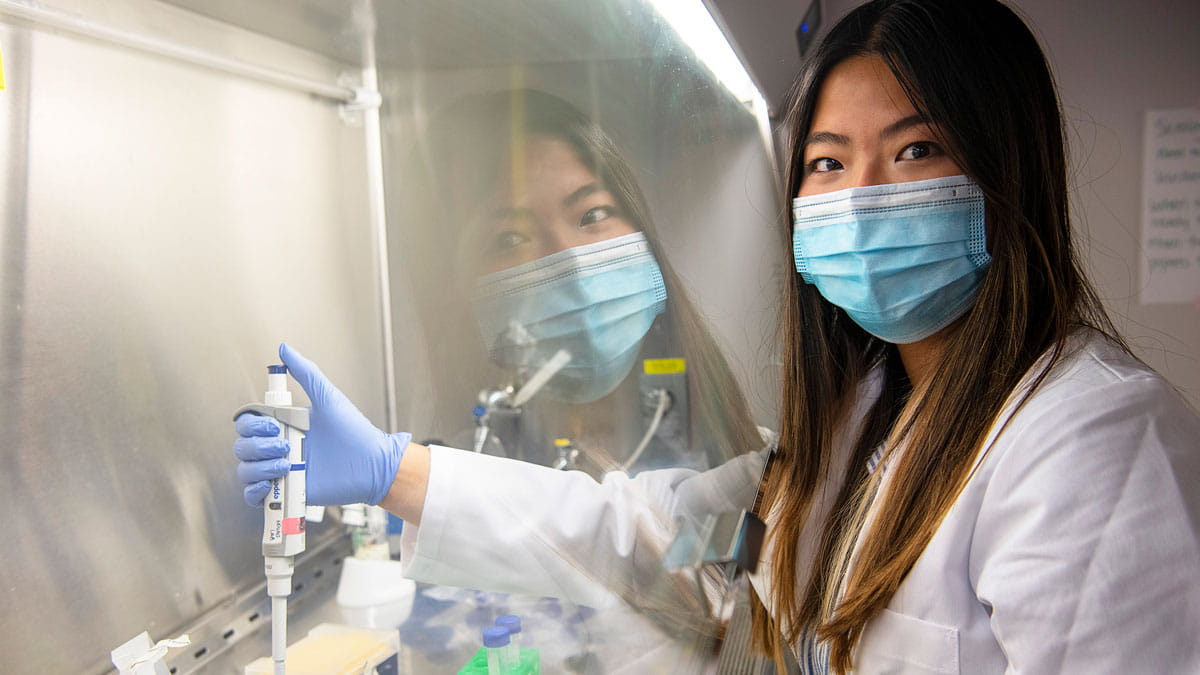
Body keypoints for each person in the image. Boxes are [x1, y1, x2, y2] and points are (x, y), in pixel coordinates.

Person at [235, 1, 1200, 672]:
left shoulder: (1091, 440)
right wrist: (398, 471)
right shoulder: (868, 412)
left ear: (1006, 170)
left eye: (915, 150)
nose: (860, 196)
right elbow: (662, 533)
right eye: (827, 162)